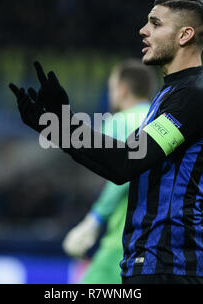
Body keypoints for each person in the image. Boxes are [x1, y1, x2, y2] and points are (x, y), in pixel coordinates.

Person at [10, 0, 203, 284]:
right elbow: (118, 164)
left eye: (155, 23)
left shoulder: (196, 96)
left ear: (184, 35)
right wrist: (54, 126)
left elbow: (125, 163)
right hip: (147, 261)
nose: (143, 30)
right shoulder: (170, 95)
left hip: (169, 266)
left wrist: (64, 124)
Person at [62, 60, 156, 284]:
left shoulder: (120, 122)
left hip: (124, 242)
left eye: (111, 87)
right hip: (167, 247)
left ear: (122, 89)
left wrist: (94, 219)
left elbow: (122, 175)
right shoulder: (167, 122)